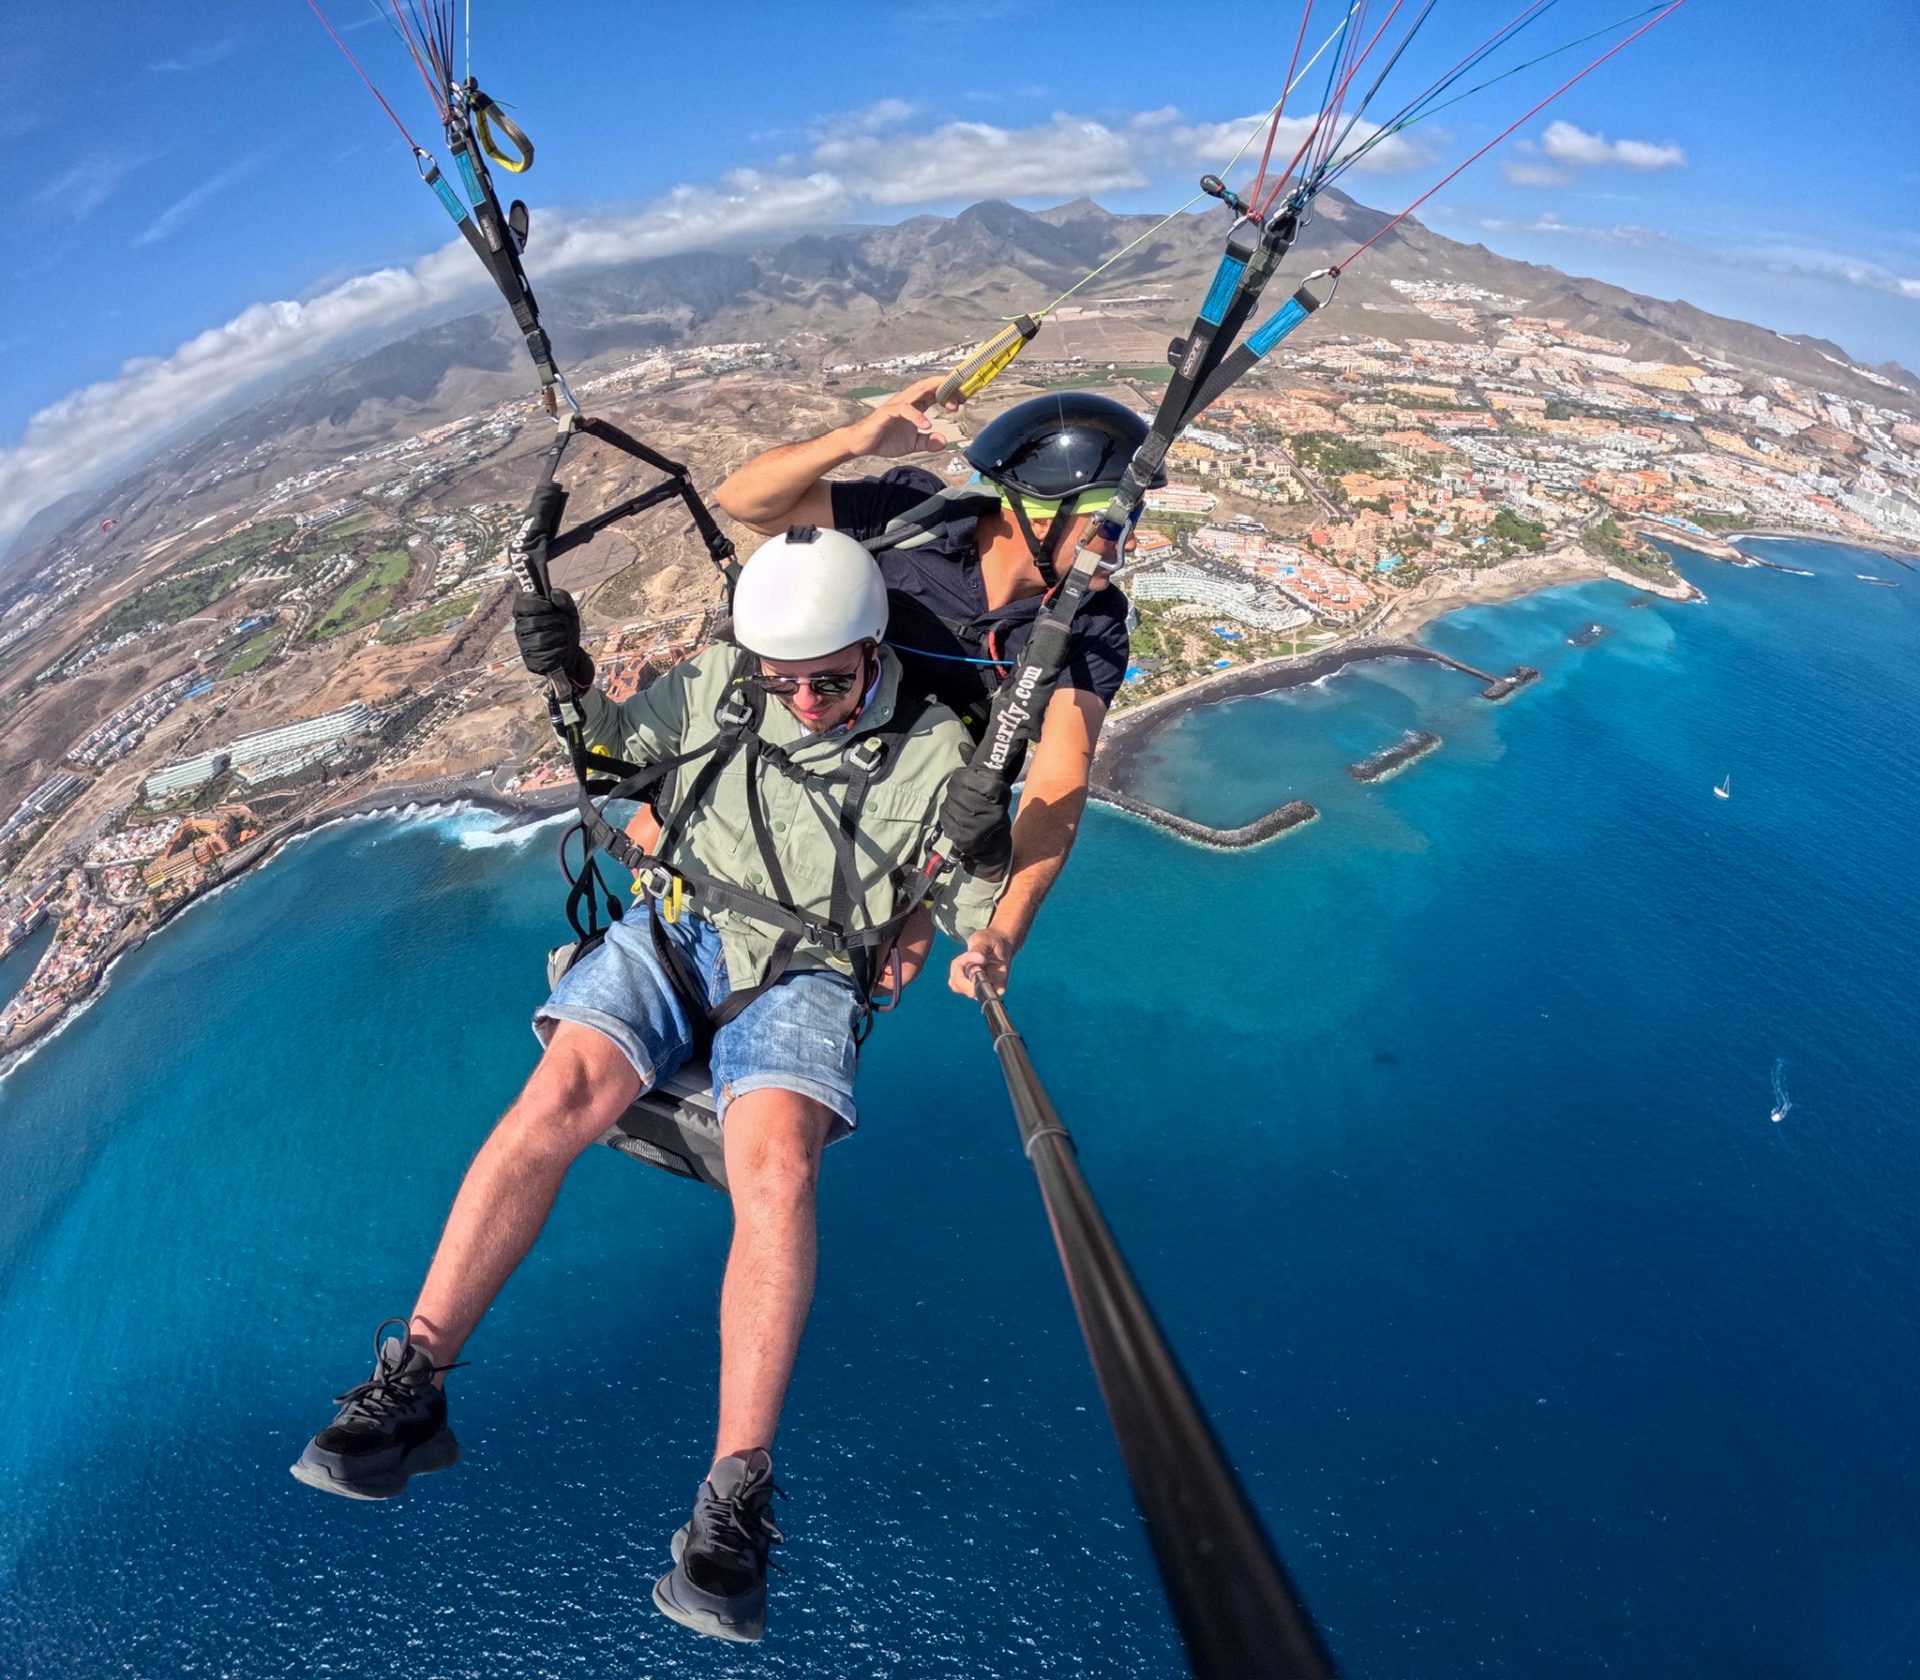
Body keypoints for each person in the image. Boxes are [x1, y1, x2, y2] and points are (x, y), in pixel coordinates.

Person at [291, 527, 1004, 1646]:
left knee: (773, 1168)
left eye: (831, 680)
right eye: (786, 680)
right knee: (554, 1099)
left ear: (875, 652)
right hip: (681, 921)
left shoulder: (930, 755)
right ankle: (412, 1383)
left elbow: (973, 903)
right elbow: (617, 752)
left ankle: (732, 1501)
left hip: (811, 964)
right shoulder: (726, 685)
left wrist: (983, 900)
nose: (807, 701)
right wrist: (569, 681)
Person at [713, 383, 1161, 999]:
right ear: (1036, 514)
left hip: (916, 806)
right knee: (658, 837)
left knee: (888, 968)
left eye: (1132, 518)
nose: (1131, 540)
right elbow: (745, 502)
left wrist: (1001, 933)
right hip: (807, 737)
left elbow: (1060, 777)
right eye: (1115, 519)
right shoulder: (911, 520)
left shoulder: (1090, 626)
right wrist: (853, 440)